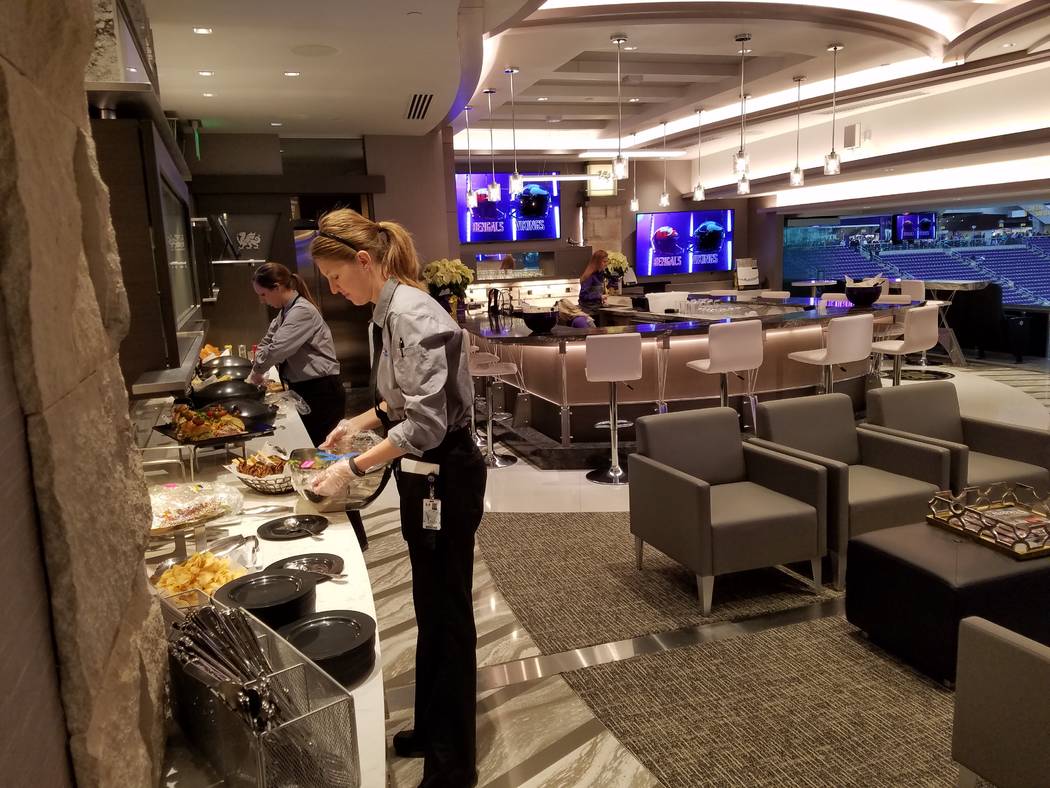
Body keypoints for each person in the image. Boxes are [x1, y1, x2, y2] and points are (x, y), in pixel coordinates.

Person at [307, 209, 486, 788]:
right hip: (420, 471)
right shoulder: (384, 314)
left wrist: (349, 468)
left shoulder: (412, 313)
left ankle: (453, 765)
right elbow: (398, 404)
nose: (335, 291)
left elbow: (428, 425)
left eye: (337, 278)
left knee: (450, 614)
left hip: (446, 471)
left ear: (365, 261)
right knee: (430, 605)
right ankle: (432, 725)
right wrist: (355, 424)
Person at [248, 262, 343, 446]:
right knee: (309, 449)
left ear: (276, 288)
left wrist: (257, 371)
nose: (262, 300)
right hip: (307, 388)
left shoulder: (301, 311)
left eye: (263, 294)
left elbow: (276, 350)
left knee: (321, 451)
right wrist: (258, 363)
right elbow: (267, 342)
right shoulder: (286, 311)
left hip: (322, 391)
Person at [578, 248, 608, 315]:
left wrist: (601, 299)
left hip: (596, 310)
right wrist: (599, 296)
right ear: (597, 262)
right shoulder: (590, 276)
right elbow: (583, 296)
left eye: (607, 261)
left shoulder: (601, 275)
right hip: (588, 312)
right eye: (604, 262)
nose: (606, 264)